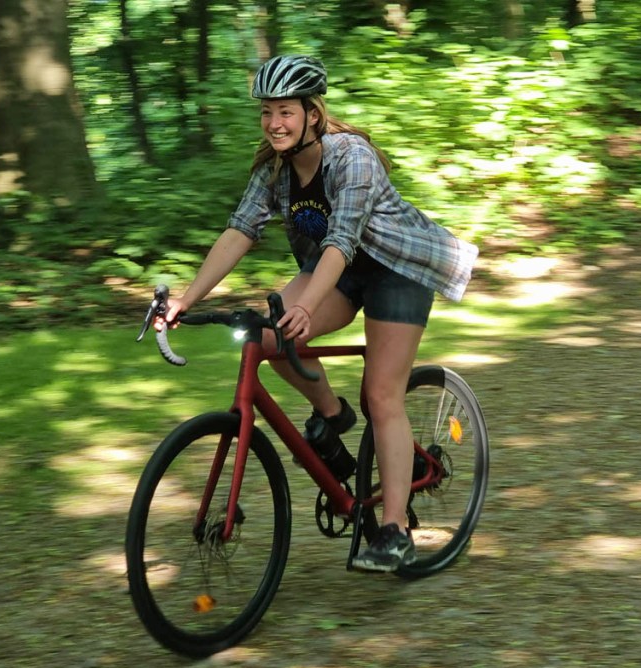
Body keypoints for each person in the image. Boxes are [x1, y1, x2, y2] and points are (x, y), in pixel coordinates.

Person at [156, 55, 478, 572]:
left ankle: (394, 531)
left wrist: (306, 305)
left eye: (286, 111)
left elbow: (343, 241)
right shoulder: (273, 168)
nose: (274, 123)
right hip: (339, 268)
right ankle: (332, 415)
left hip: (396, 268)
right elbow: (240, 230)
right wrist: (186, 299)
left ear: (312, 112)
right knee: (267, 339)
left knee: (382, 393)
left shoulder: (352, 157)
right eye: (267, 112)